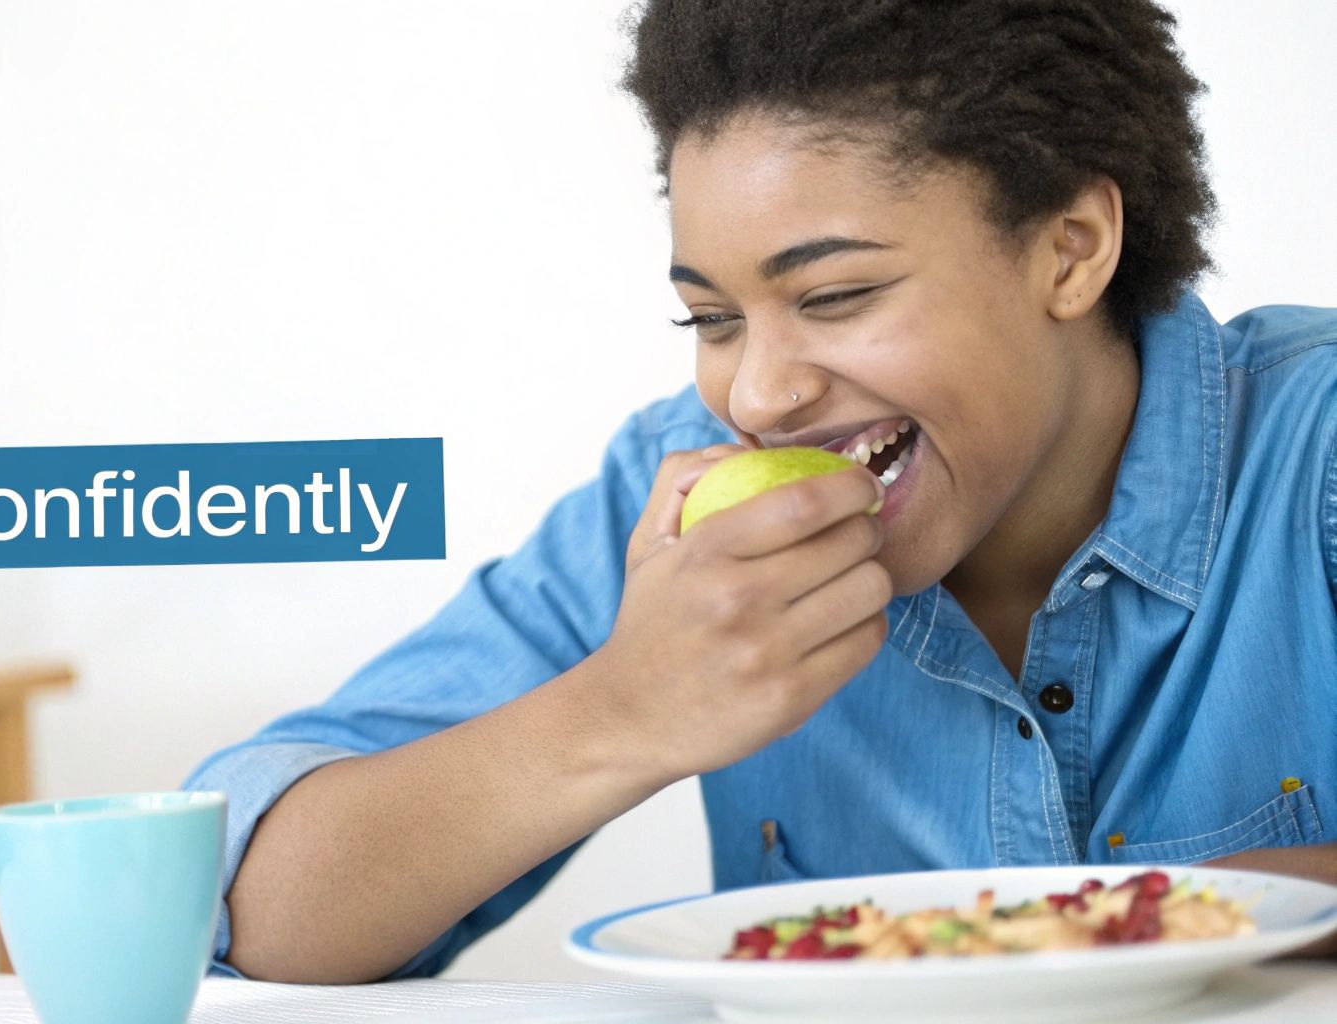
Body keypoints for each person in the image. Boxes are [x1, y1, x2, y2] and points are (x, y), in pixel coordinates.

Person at [185, 0, 1337, 983]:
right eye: (712, 319)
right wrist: (617, 715)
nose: (760, 393)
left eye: (834, 296)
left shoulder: (1313, 453)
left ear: (1069, 249)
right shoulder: (679, 513)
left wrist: (1171, 919)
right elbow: (240, 907)